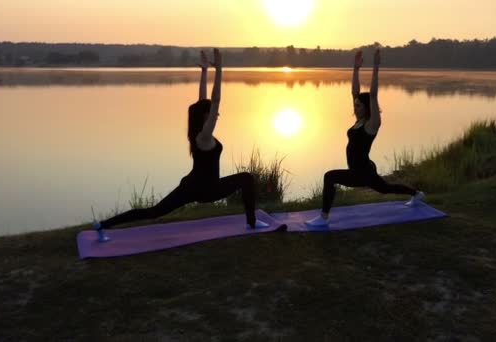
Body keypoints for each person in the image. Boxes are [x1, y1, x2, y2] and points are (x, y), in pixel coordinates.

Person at [93, 49, 270, 237]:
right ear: (205, 117)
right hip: (208, 191)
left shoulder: (196, 132)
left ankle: (103, 224)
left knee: (154, 211)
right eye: (211, 113)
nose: (216, 114)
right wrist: (219, 69)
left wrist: (204, 72)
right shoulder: (204, 136)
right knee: (247, 178)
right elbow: (216, 100)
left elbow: (203, 101)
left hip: (190, 185)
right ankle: (252, 223)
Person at [306, 47, 424, 227]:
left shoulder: (371, 124)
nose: (355, 108)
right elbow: (354, 92)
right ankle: (416, 194)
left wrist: (376, 67)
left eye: (359, 106)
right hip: (362, 169)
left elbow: (374, 95)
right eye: (355, 105)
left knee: (330, 177)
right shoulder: (359, 121)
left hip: (361, 172)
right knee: (385, 188)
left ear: (367, 107)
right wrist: (355, 69)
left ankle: (323, 217)